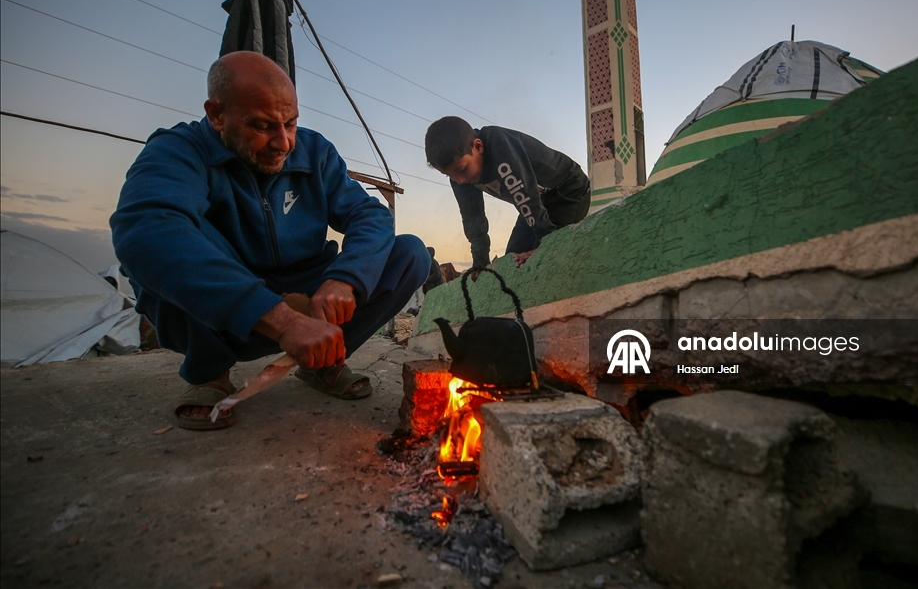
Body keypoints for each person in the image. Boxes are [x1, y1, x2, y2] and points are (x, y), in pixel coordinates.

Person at [110, 51, 429, 430]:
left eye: (291, 123)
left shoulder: (315, 151)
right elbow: (144, 227)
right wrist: (278, 319)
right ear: (216, 115)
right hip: (228, 315)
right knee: (155, 245)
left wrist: (345, 278)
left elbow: (370, 214)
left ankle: (322, 362)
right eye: (262, 126)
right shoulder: (178, 151)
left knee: (411, 253)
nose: (283, 143)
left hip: (308, 297)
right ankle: (209, 373)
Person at [424, 116, 590, 270]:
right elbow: (472, 217)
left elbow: (524, 194)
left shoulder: (498, 144)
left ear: (478, 146)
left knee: (548, 256)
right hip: (535, 203)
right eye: (449, 175)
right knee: (512, 262)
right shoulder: (460, 175)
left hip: (568, 190)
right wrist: (480, 262)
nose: (459, 179)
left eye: (461, 169)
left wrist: (545, 244)